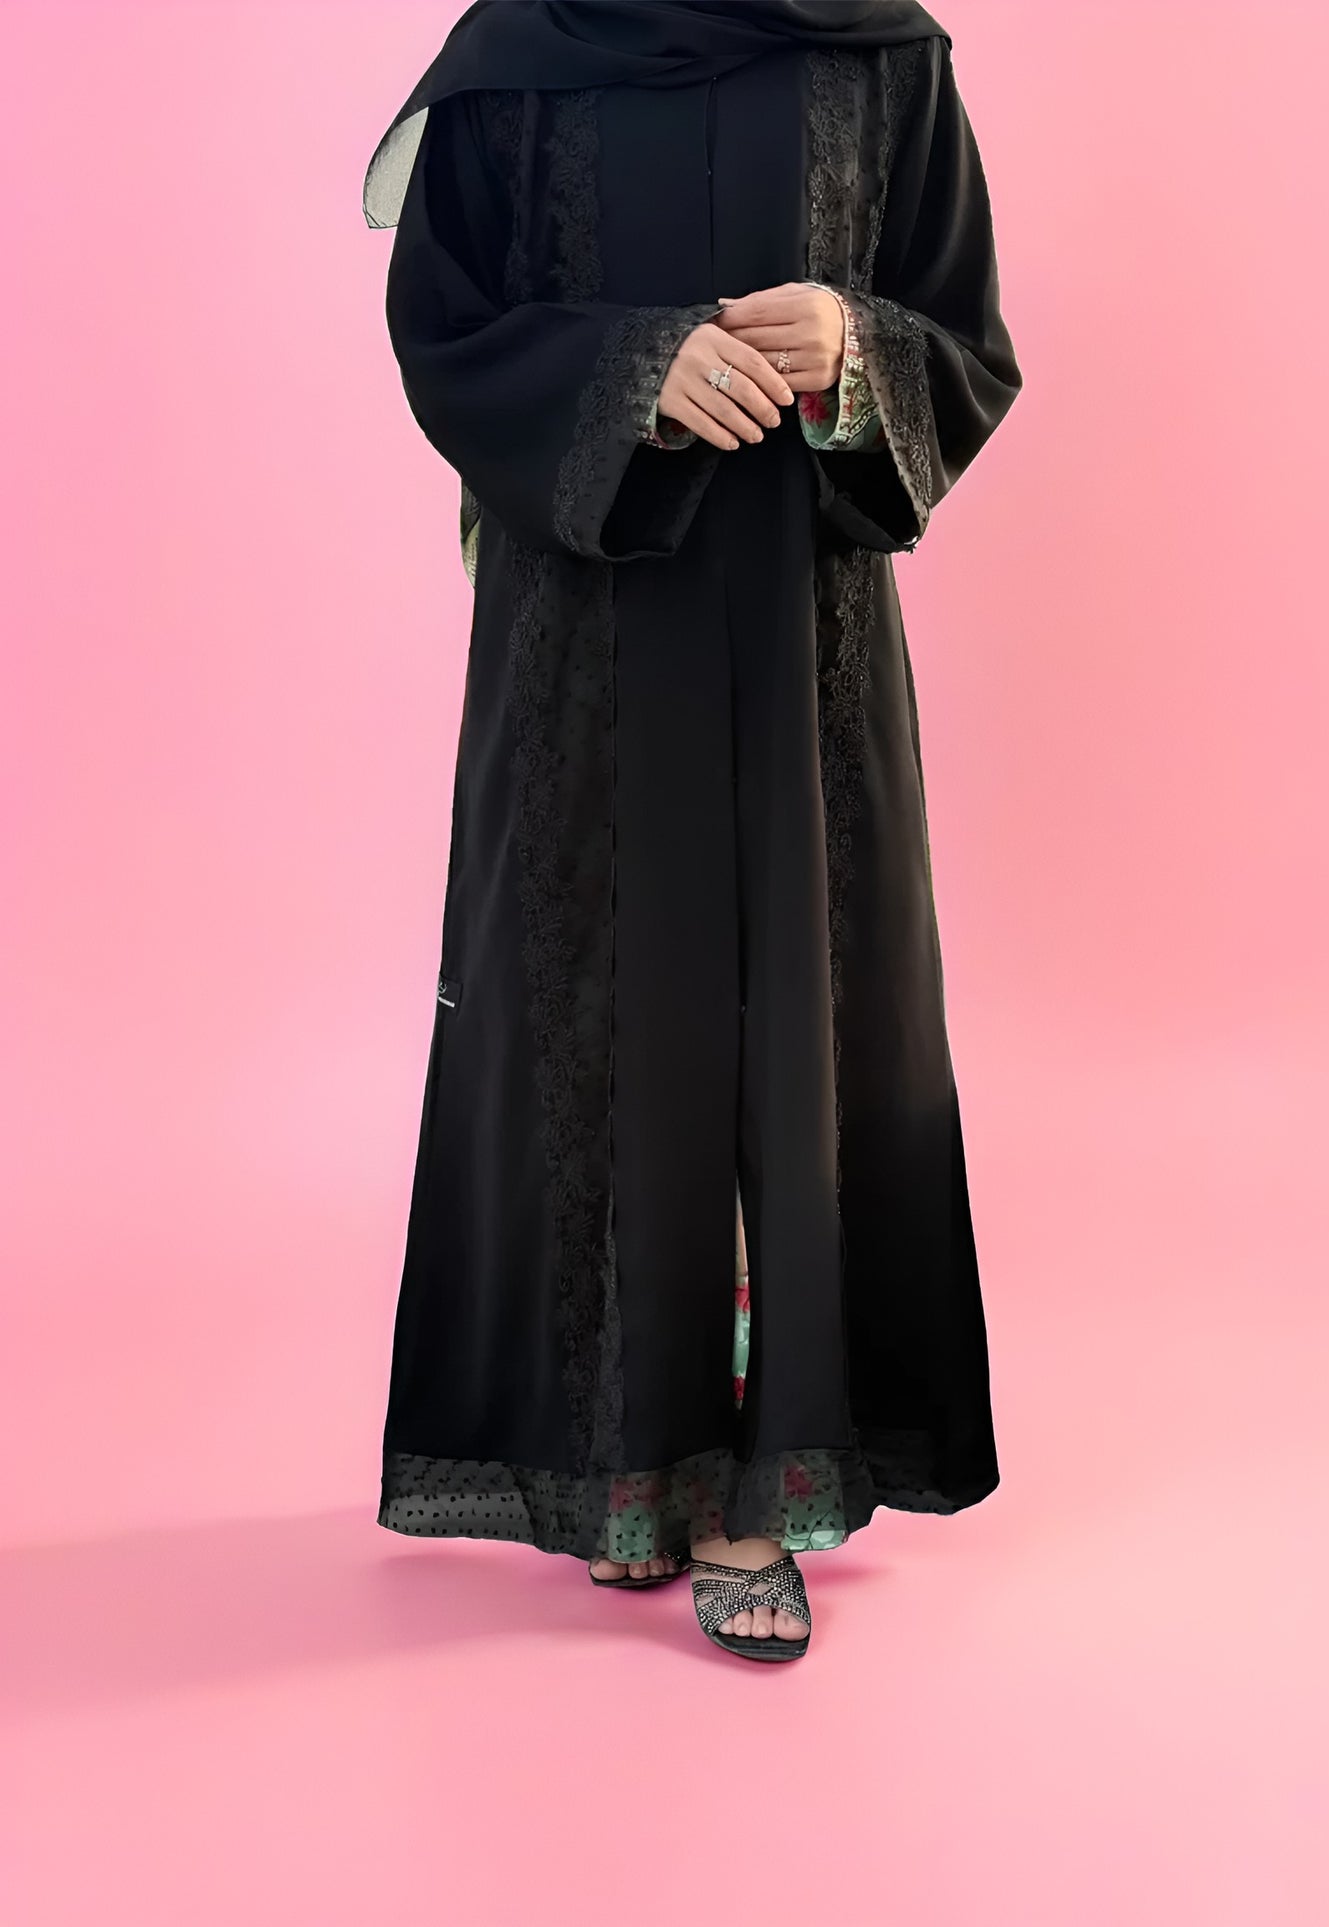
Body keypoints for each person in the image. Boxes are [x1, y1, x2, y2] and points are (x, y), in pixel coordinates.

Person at [363, 0, 1023, 1663]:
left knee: (787, 1030)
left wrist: (854, 346)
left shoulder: (882, 56)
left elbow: (966, 340)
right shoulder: (522, 51)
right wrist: (630, 373)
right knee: (599, 1026)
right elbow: (444, 330)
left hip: (802, 640)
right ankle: (624, 1464)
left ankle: (753, 1490)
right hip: (582, 642)